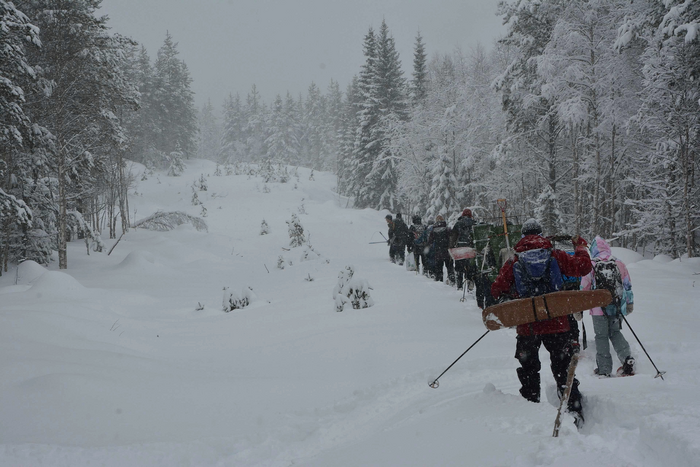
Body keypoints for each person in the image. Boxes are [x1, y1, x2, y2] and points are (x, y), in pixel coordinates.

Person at [490, 218, 591, 428]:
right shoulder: (554, 254)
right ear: (541, 234)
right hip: (557, 323)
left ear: (523, 236)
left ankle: (530, 409)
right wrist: (580, 247)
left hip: (528, 325)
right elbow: (583, 267)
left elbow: (496, 289)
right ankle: (573, 410)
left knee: (529, 371)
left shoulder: (514, 260)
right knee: (563, 369)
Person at [581, 236, 635, 377]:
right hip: (616, 306)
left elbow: (584, 288)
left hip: (598, 309)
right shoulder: (618, 263)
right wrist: (629, 303)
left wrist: (579, 307)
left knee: (601, 336)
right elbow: (627, 284)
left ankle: (604, 370)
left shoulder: (591, 264)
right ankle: (627, 359)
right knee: (615, 332)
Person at [450, 208, 476, 290]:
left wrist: (451, 246)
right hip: (470, 247)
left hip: (460, 248)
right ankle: (470, 282)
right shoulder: (474, 223)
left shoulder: (458, 224)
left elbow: (453, 237)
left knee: (459, 268)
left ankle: (460, 285)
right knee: (470, 266)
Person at [428, 215, 455, 284]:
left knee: (439, 268)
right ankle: (452, 280)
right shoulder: (447, 229)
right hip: (447, 251)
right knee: (449, 267)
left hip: (438, 252)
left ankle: (439, 281)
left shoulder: (433, 230)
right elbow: (452, 238)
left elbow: (430, 241)